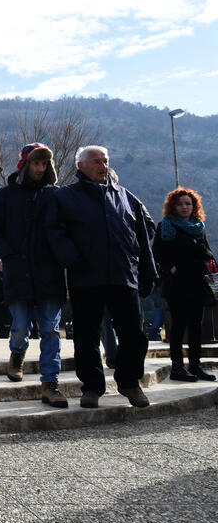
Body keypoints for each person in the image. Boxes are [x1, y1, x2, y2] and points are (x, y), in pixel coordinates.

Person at [46, 145, 157, 408]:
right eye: (96, 161)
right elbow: (53, 232)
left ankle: (130, 382)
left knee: (134, 333)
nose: (102, 165)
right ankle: (92, 388)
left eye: (105, 161)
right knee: (87, 336)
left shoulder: (125, 196)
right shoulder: (65, 196)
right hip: (86, 278)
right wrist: (72, 258)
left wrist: (144, 268)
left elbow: (144, 232)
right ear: (81, 166)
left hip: (122, 275)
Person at [0, 143, 68, 408]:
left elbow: (68, 228)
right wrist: (8, 255)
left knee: (51, 330)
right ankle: (17, 353)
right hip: (18, 272)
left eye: (45, 164)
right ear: (25, 164)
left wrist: (64, 255)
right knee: (20, 326)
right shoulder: (4, 196)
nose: (41, 168)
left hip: (50, 274)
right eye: (36, 163)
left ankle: (50, 384)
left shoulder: (57, 195)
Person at [152, 187, 216, 382]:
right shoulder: (166, 226)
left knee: (196, 325)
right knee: (179, 325)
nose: (184, 207)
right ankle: (177, 367)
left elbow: (207, 251)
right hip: (177, 283)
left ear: (194, 205)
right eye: (180, 204)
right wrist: (171, 268)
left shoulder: (199, 226)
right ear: (173, 206)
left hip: (197, 281)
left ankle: (195, 366)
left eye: (188, 203)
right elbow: (158, 252)